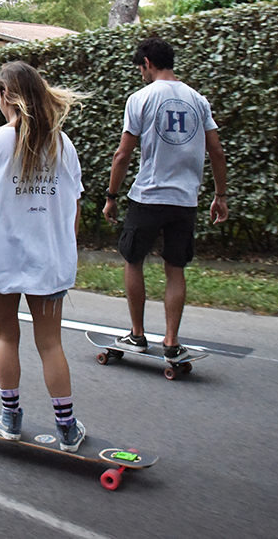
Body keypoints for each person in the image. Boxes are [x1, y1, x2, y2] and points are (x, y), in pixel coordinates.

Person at [0, 61, 87, 451]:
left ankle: (10, 419)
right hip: (49, 264)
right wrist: (63, 248)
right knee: (50, 344)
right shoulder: (63, 144)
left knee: (6, 337)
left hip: (2, 258)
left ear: (6, 95)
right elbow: (74, 208)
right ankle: (66, 428)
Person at [102, 37, 229, 363]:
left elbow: (122, 155)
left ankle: (137, 335)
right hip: (185, 200)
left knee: (133, 260)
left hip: (148, 196)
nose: (141, 74)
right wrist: (220, 195)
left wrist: (111, 196)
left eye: (140, 69)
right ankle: (171, 341)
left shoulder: (140, 98)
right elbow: (216, 151)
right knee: (175, 268)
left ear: (147, 63)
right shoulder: (198, 100)